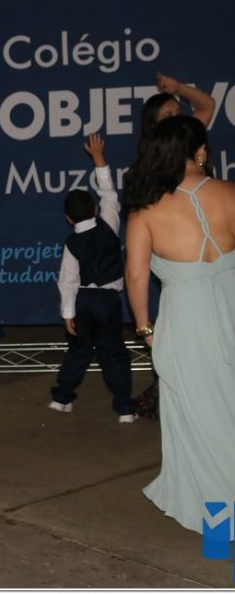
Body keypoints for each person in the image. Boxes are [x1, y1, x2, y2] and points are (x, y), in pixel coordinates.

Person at [124, 115, 235, 535]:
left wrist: (145, 329)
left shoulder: (146, 212)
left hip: (187, 326)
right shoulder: (230, 193)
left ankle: (221, 536)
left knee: (203, 430)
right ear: (201, 152)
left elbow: (136, 277)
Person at [133, 72, 216, 420]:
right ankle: (170, 388)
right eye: (168, 115)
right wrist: (143, 326)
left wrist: (179, 89)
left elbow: (208, 105)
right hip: (176, 253)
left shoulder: (189, 136)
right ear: (153, 126)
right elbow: (137, 270)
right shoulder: (151, 165)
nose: (177, 118)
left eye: (178, 112)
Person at [49, 134, 137, 423]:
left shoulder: (71, 244)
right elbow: (109, 193)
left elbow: (67, 280)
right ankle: (124, 408)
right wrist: (98, 156)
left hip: (83, 301)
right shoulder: (109, 224)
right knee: (113, 352)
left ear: (68, 219)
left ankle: (61, 398)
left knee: (79, 349)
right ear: (96, 209)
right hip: (107, 301)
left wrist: (67, 314)